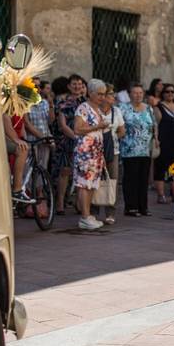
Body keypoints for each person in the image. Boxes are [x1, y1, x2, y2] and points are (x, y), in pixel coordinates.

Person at [72, 79, 110, 231]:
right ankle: (85, 216)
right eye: (99, 94)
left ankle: (87, 216)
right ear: (90, 93)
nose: (102, 97)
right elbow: (77, 129)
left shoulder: (98, 109)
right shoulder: (83, 108)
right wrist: (98, 126)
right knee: (84, 184)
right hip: (85, 151)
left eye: (104, 94)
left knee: (92, 184)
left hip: (96, 151)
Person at [119, 83, 157, 217]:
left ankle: (143, 207)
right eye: (135, 93)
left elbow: (154, 125)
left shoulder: (148, 108)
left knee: (143, 179)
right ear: (129, 95)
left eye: (140, 93)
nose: (138, 95)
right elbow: (119, 126)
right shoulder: (123, 108)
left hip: (145, 149)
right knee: (131, 178)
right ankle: (130, 207)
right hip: (129, 148)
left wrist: (156, 140)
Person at [53, 75, 86, 215]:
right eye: (74, 84)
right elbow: (62, 125)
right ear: (69, 86)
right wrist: (75, 137)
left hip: (84, 141)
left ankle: (80, 203)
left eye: (79, 84)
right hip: (67, 140)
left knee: (80, 172)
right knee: (65, 171)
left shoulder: (86, 102)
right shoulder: (63, 103)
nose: (77, 86)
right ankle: (60, 202)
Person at [96, 84, 125, 225]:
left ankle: (110, 213)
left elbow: (122, 131)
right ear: (104, 97)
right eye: (111, 94)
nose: (114, 97)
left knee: (112, 181)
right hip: (95, 151)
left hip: (113, 150)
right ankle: (93, 212)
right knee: (95, 180)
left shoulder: (117, 111)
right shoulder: (95, 111)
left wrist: (113, 137)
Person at [3, 113, 33, 204]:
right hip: (2, 138)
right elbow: (6, 122)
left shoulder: (18, 108)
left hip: (10, 137)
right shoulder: (6, 105)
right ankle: (17, 190)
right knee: (22, 150)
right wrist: (17, 140)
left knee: (24, 147)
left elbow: (22, 127)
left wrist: (24, 141)